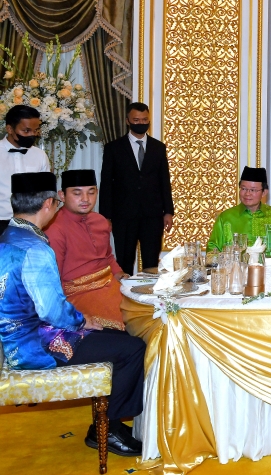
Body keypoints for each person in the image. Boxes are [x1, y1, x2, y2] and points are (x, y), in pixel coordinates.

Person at [0, 172, 145, 456]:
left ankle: (107, 422)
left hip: (19, 335)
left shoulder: (10, 236)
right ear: (49, 203)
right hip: (36, 344)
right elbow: (51, 310)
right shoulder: (36, 248)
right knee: (133, 348)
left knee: (119, 340)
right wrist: (81, 320)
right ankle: (108, 429)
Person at [46, 170, 128, 329]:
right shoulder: (54, 228)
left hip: (110, 285)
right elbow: (53, 281)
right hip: (78, 294)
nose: (85, 199)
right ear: (62, 196)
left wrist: (120, 275)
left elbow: (108, 256)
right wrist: (69, 315)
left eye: (91, 192)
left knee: (152, 311)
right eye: (77, 193)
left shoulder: (100, 221)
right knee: (131, 323)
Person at [100, 102, 174, 273]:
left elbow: (164, 180)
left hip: (153, 215)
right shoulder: (113, 148)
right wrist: (106, 216)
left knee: (151, 262)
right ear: (127, 121)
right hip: (123, 215)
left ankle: (149, 290)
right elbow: (106, 183)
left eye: (144, 120)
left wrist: (168, 211)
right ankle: (124, 290)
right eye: (136, 120)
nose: (141, 123)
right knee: (124, 261)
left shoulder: (158, 147)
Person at [207, 167, 271, 258]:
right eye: (243, 189)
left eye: (253, 190)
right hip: (237, 266)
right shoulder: (226, 217)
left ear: (264, 192)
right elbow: (213, 248)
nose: (247, 194)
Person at [0, 106, 50, 233]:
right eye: (26, 131)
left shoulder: (40, 155)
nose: (32, 135)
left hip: (30, 224)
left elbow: (45, 191)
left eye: (36, 130)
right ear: (10, 129)